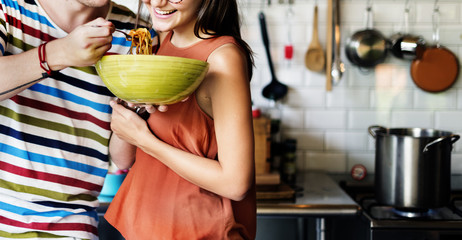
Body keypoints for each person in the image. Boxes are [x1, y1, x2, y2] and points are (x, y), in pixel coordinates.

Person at [105, 0, 257, 239]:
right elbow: (122, 157)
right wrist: (129, 107)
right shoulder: (160, 43)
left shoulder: (223, 59)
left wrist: (146, 141)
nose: (157, 2)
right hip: (142, 228)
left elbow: (235, 183)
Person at [0, 0, 152, 239]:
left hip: (74, 227)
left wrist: (137, 107)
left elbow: (122, 159)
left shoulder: (137, 34)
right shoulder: (8, 8)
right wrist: (60, 53)